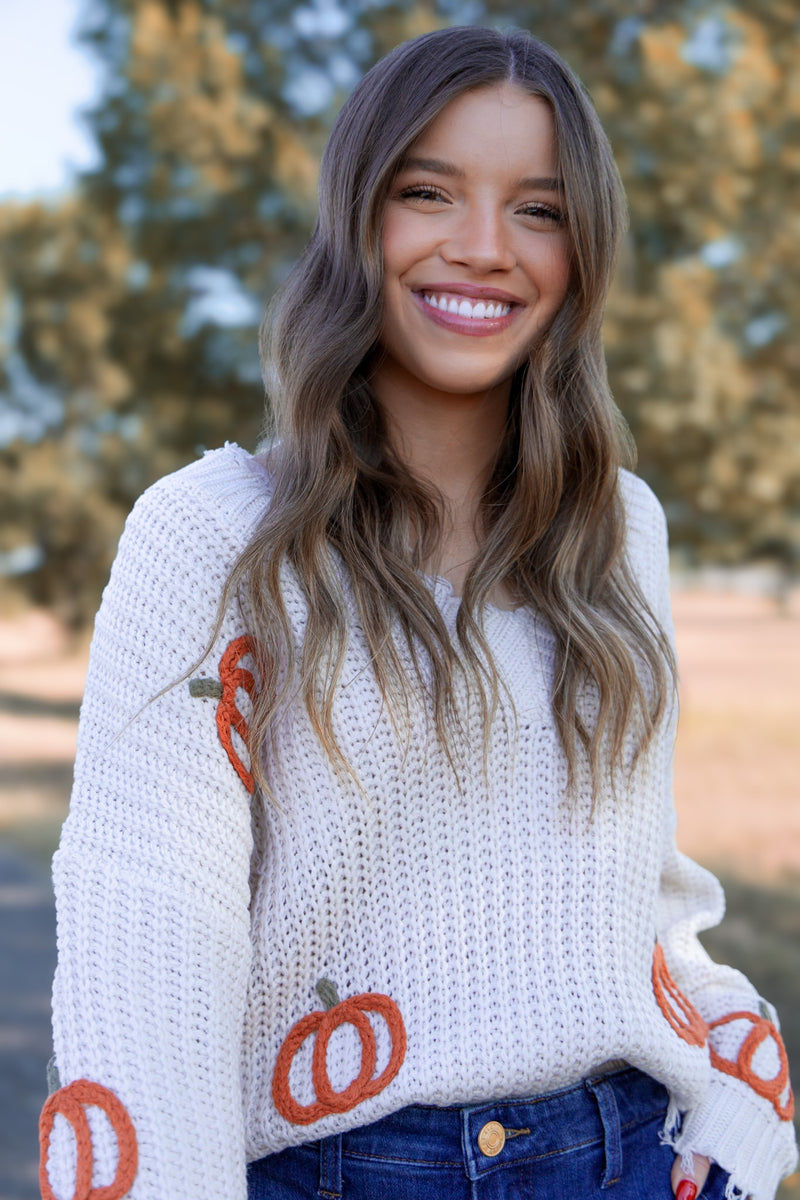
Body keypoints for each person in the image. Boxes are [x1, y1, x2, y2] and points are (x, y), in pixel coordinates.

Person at [39, 25, 796, 1200]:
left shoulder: (618, 527)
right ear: (356, 217)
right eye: (427, 192)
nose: (482, 248)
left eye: (538, 209)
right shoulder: (211, 534)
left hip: (626, 1156)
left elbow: (633, 895)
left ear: (581, 250)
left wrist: (745, 1104)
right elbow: (152, 941)